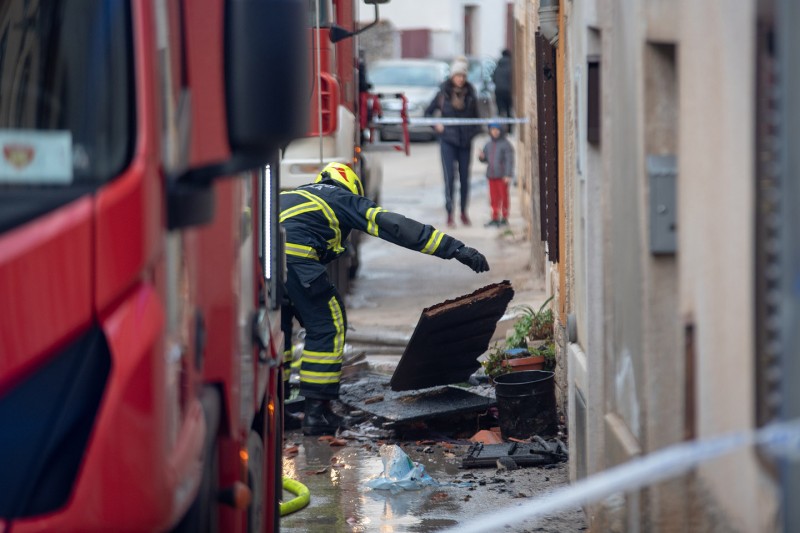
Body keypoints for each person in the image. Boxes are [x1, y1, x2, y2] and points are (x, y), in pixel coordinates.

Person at [280, 162, 490, 436]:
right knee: (328, 324)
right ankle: (317, 413)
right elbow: (394, 226)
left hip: (259, 264)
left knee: (277, 335)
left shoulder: (291, 196)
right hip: (296, 258)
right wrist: (455, 248)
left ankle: (277, 409)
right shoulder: (339, 197)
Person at [425, 56, 482, 229]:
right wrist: (437, 125)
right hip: (448, 141)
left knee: (465, 178)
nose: (460, 79)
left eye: (463, 76)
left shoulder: (471, 93)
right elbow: (428, 114)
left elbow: (476, 119)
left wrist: (472, 133)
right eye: (457, 76)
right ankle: (450, 214)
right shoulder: (443, 93)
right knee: (450, 178)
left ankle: (463, 212)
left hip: (465, 142)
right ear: (452, 76)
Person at [478, 123, 515, 227]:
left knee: (503, 197)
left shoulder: (506, 144)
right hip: (491, 175)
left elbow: (509, 161)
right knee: (493, 198)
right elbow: (485, 159)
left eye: (497, 129)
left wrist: (508, 174)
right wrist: (481, 157)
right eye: (492, 129)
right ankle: (495, 217)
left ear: (501, 130)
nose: (494, 131)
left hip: (502, 176)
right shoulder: (488, 144)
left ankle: (504, 217)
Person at [492, 49, 513, 132]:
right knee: (508, 110)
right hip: (507, 91)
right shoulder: (511, 66)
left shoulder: (498, 66)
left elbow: (493, 79)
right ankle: (509, 129)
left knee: (500, 111)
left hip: (498, 91)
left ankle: (499, 129)